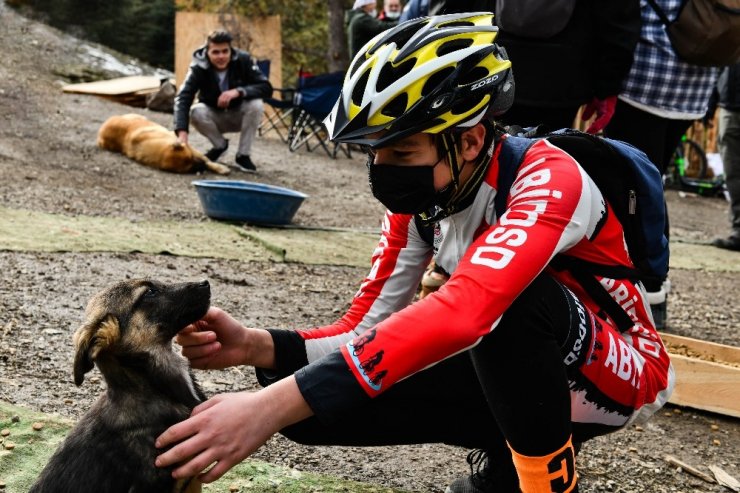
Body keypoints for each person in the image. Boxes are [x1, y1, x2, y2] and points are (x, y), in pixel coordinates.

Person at [155, 14, 674, 493]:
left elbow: (468, 311)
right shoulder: (424, 199)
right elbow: (362, 331)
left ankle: (543, 483)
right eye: (375, 152)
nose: (384, 170)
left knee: (507, 304)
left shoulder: (549, 179)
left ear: (469, 142)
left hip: (620, 371)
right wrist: (256, 346)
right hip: (508, 358)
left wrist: (266, 408)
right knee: (310, 408)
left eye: (402, 152)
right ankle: (505, 462)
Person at [604, 0, 719, 327]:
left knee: (635, 191)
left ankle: (646, 289)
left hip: (645, 80)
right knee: (647, 185)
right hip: (694, 85)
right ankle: (652, 287)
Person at [495, 0, 641, 132]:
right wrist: (607, 88)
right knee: (546, 154)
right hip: (562, 79)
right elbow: (617, 20)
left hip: (497, 67)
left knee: (492, 150)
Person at [174, 30, 272, 173]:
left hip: (240, 114)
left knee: (256, 104)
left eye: (225, 51)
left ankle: (243, 155)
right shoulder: (198, 67)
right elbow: (183, 97)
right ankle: (220, 146)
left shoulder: (243, 60)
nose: (221, 56)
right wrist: (182, 134)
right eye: (216, 52)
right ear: (207, 52)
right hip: (214, 116)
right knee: (195, 111)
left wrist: (238, 91)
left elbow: (266, 87)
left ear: (230, 50)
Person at [707, 64, 740, 251]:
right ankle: (739, 232)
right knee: (733, 174)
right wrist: (711, 103)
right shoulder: (731, 35)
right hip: (730, 108)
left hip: (730, 108)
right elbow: (719, 66)